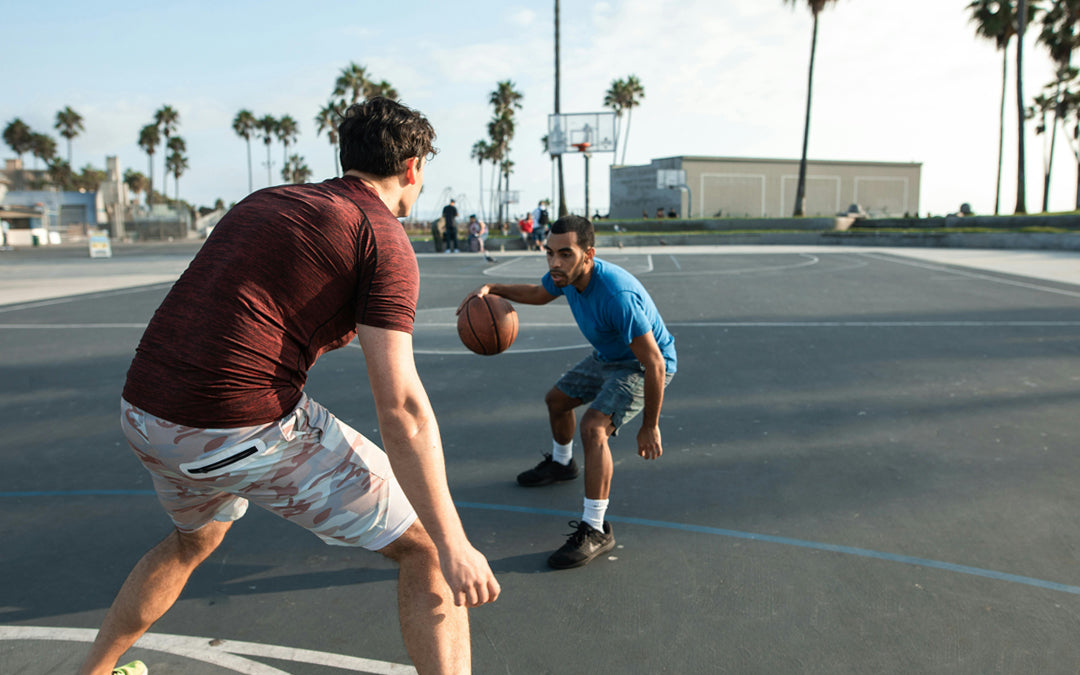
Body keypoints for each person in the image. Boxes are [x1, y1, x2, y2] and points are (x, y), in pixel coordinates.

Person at [79, 97, 500, 675]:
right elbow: (402, 409)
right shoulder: (382, 236)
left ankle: (93, 672)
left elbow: (228, 307)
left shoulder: (269, 201)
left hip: (144, 413)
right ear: (412, 167)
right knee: (426, 543)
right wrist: (456, 545)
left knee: (193, 541)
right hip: (233, 428)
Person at [458, 215, 676, 570]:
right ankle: (562, 465)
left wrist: (650, 424)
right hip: (608, 356)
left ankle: (595, 528)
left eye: (565, 254)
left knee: (593, 428)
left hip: (638, 365)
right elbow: (539, 293)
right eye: (549, 254)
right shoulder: (565, 277)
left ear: (588, 255)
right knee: (556, 401)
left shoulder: (616, 295)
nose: (555, 263)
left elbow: (655, 363)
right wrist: (493, 288)